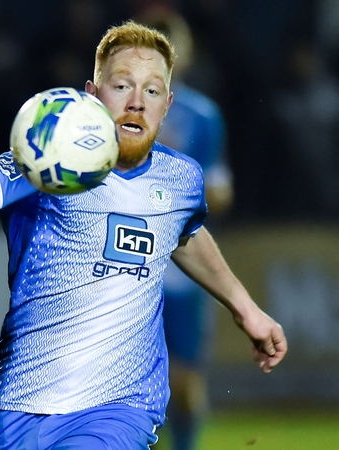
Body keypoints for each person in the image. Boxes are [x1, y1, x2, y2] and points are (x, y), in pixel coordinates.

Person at [0, 20, 286, 449]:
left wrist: (244, 307)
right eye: (122, 86)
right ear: (92, 94)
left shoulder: (181, 179)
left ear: (168, 104)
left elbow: (184, 234)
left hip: (121, 407)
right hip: (20, 404)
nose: (137, 102)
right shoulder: (52, 157)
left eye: (152, 91)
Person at [138, 9, 234, 450]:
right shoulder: (108, 110)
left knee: (185, 377)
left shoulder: (203, 116)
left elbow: (219, 191)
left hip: (177, 263)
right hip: (119, 252)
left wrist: (174, 189)